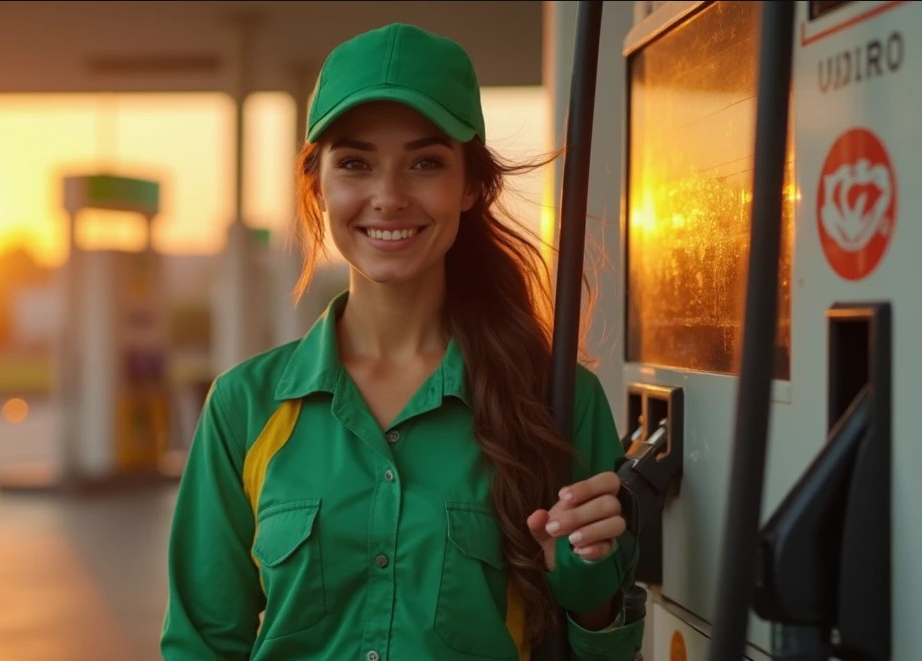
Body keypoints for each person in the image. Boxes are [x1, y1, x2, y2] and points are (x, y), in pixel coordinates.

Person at [160, 23, 645, 661]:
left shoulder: (555, 401)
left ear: (471, 186)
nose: (388, 198)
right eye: (355, 163)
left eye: (425, 163)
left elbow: (600, 645)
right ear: (318, 185)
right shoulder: (244, 408)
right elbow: (202, 645)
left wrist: (586, 581)